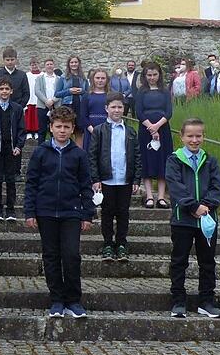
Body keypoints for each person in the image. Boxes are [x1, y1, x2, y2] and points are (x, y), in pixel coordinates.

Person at [24, 106, 94, 319]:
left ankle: (73, 300)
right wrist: (30, 211)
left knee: (71, 255)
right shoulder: (40, 152)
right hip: (45, 211)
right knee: (51, 256)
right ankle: (56, 300)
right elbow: (31, 183)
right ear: (51, 128)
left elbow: (85, 185)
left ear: (72, 129)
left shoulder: (79, 155)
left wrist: (88, 213)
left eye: (66, 127)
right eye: (58, 127)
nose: (62, 130)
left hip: (71, 212)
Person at [166, 118, 220, 318]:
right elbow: (175, 187)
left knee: (207, 262)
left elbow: (218, 187)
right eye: (190, 136)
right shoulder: (174, 160)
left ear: (203, 136)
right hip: (183, 220)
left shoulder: (211, 161)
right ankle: (178, 301)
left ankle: (207, 301)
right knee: (179, 261)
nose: (194, 140)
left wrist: (205, 206)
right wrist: (193, 206)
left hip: (207, 221)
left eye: (198, 135)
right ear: (182, 137)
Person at [88, 92, 142, 261]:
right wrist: (95, 179)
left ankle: (121, 243)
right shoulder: (99, 131)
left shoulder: (131, 131)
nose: (117, 110)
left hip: (125, 179)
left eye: (120, 107)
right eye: (113, 107)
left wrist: (136, 179)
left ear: (124, 108)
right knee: (107, 213)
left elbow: (137, 156)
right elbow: (92, 156)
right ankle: (107, 244)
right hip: (106, 180)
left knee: (123, 213)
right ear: (106, 109)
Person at [0, 77, 25, 221]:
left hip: (11, 148)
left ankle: (10, 210)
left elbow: (21, 129)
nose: (4, 91)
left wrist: (19, 146)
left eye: (7, 89)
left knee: (11, 179)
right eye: (1, 89)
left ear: (11, 91)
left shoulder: (17, 109)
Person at [135, 62, 173, 209]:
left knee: (163, 160)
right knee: (147, 159)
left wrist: (157, 126)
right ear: (145, 76)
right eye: (149, 75)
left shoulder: (164, 91)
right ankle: (150, 196)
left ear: (159, 75)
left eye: (154, 75)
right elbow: (139, 112)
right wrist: (150, 127)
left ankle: (161, 197)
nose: (152, 78)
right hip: (145, 129)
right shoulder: (141, 92)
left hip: (163, 128)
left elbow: (169, 112)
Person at [54, 56, 89, 147]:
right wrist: (69, 91)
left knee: (79, 131)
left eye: (75, 62)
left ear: (79, 64)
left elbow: (88, 93)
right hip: (67, 107)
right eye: (72, 62)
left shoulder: (83, 78)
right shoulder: (63, 77)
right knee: (66, 129)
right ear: (69, 64)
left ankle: (78, 154)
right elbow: (57, 93)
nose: (74, 64)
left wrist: (81, 91)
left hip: (80, 107)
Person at [79, 69, 110, 151]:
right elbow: (83, 115)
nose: (100, 80)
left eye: (103, 78)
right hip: (90, 128)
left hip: (107, 128)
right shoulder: (87, 96)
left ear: (107, 80)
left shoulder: (111, 95)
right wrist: (92, 130)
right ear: (93, 79)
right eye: (97, 78)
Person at [33, 58, 59, 143]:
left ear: (54, 66)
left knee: (55, 129)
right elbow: (37, 91)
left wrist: (53, 101)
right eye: (47, 64)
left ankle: (54, 148)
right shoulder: (39, 78)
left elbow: (61, 91)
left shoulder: (59, 79)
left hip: (56, 107)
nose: (49, 66)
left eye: (51, 64)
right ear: (44, 66)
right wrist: (46, 101)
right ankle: (41, 150)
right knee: (42, 130)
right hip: (42, 106)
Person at [24, 57, 42, 140]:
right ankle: (28, 132)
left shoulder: (42, 75)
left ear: (39, 64)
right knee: (29, 116)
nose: (34, 66)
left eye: (36, 64)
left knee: (37, 117)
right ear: (30, 66)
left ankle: (37, 132)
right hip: (30, 98)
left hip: (38, 99)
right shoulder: (27, 75)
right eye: (32, 65)